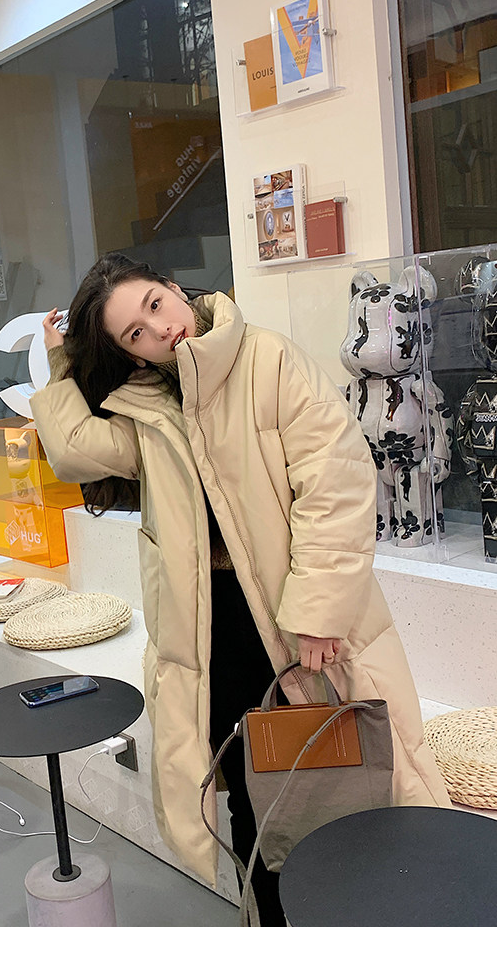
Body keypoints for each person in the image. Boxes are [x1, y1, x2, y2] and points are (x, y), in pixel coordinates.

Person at [29, 252, 450, 925]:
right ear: (130, 354)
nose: (159, 329)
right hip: (212, 630)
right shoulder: (146, 405)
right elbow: (77, 451)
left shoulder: (268, 360)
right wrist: (60, 364)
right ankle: (272, 925)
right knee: (254, 797)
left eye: (155, 306)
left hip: (296, 620)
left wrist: (318, 612)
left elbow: (336, 480)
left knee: (345, 784)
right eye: (135, 332)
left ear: (174, 289)